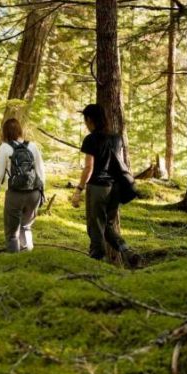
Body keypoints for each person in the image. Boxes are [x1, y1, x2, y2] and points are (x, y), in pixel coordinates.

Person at [71, 104, 138, 266]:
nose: (85, 123)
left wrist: (79, 189)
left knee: (95, 227)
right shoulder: (117, 138)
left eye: (85, 120)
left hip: (97, 188)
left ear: (90, 119)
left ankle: (96, 262)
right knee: (108, 227)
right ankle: (127, 251)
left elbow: (89, 167)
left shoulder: (90, 139)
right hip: (115, 188)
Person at [0, 118, 45, 252]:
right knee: (26, 227)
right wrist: (42, 191)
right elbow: (40, 170)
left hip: (15, 194)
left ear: (5, 132)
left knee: (12, 232)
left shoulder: (5, 147)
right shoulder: (33, 146)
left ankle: (13, 258)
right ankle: (27, 255)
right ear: (20, 130)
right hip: (34, 193)